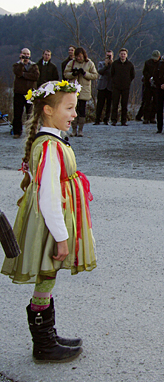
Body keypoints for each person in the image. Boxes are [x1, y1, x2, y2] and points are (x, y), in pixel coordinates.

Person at [1, 80, 96, 363]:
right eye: (69, 108)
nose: (74, 114)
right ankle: (43, 345)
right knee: (46, 274)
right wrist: (61, 236)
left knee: (48, 275)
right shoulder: (49, 146)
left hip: (48, 221)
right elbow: (49, 195)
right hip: (49, 223)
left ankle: (48, 335)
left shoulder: (49, 141)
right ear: (47, 110)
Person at [64, 47, 99, 137]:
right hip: (73, 89)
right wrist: (73, 74)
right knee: (73, 110)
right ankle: (74, 129)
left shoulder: (89, 63)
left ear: (83, 55)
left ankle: (80, 130)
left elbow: (95, 75)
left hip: (84, 89)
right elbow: (65, 73)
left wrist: (85, 74)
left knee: (82, 110)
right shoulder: (71, 63)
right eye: (77, 56)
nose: (78, 58)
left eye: (80, 56)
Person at [12, 48, 40, 138]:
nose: (26, 56)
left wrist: (24, 75)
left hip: (30, 93)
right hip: (19, 93)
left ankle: (30, 131)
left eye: (27, 54)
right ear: (21, 54)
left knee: (30, 113)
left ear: (30, 55)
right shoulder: (16, 65)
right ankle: (17, 132)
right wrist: (21, 63)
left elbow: (36, 76)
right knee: (17, 113)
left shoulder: (34, 65)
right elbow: (18, 73)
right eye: (24, 54)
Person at [110, 48, 135, 126]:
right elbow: (112, 74)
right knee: (115, 104)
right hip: (116, 87)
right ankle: (114, 120)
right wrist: (114, 82)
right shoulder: (115, 64)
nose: (123, 55)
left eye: (124, 54)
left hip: (125, 87)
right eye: (121, 54)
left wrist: (128, 82)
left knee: (124, 104)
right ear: (119, 55)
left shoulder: (130, 64)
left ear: (126, 55)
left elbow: (132, 75)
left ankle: (123, 121)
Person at [137, 50, 161, 123]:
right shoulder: (147, 62)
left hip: (157, 85)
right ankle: (146, 117)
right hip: (148, 84)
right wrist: (149, 78)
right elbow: (145, 72)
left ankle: (152, 117)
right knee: (147, 101)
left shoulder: (161, 63)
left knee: (156, 102)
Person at [94, 50, 113, 125]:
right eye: (107, 55)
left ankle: (106, 119)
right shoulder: (101, 64)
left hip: (110, 86)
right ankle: (97, 119)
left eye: (110, 56)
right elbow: (100, 72)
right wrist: (106, 66)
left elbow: (112, 73)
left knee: (109, 104)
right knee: (100, 104)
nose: (108, 57)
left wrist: (110, 65)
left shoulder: (114, 64)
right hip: (102, 86)